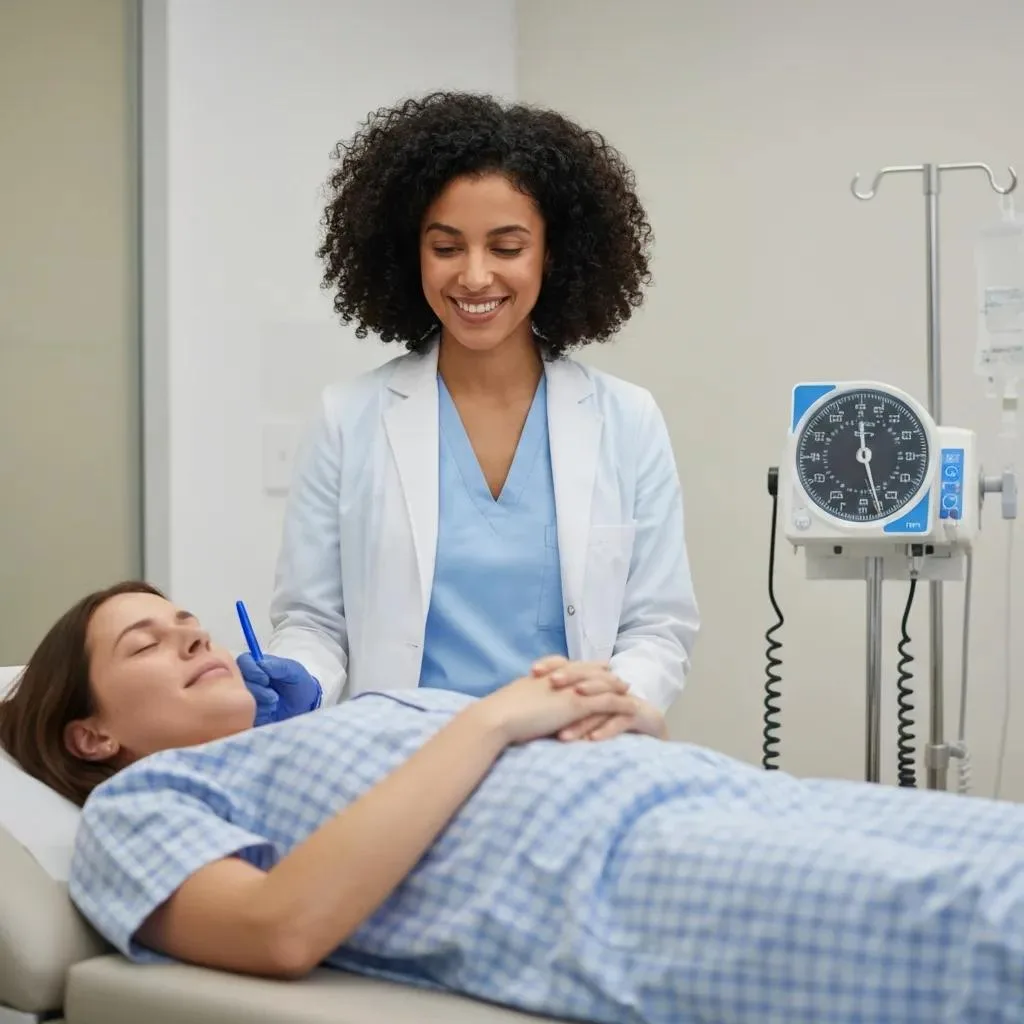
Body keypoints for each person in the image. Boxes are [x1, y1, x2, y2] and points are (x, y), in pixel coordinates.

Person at [3, 582, 1024, 1024]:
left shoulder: (350, 716)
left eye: (189, 623)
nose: (193, 638)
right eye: (147, 644)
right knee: (982, 918)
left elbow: (551, 743)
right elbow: (281, 930)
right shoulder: (144, 801)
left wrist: (614, 714)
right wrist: (489, 720)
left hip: (723, 793)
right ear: (91, 733)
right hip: (627, 883)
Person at [239, 90, 699, 739]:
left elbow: (658, 626)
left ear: (554, 253)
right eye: (447, 247)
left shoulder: (627, 419)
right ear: (409, 253)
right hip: (400, 762)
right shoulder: (348, 417)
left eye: (507, 247)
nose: (475, 276)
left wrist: (614, 694)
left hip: (570, 754)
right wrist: (301, 680)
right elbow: (315, 621)